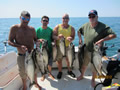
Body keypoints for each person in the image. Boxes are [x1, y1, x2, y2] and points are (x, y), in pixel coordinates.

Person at [77, 10, 116, 87]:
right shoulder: (85, 25)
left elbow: (113, 35)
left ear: (97, 17)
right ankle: (82, 75)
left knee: (94, 67)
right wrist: (80, 39)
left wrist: (102, 40)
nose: (91, 18)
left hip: (97, 51)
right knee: (84, 64)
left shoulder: (103, 26)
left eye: (93, 16)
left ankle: (93, 79)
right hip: (87, 50)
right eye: (90, 16)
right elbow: (78, 31)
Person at [8, 11, 41, 90]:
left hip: (32, 54)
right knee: (23, 73)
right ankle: (25, 86)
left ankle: (35, 82)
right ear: (20, 18)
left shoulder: (32, 29)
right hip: (21, 55)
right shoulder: (14, 28)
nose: (25, 20)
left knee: (34, 70)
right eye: (23, 18)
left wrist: (38, 41)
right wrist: (20, 46)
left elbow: (35, 39)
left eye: (27, 19)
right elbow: (9, 41)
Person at [53, 14, 76, 79]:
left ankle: (69, 71)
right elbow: (53, 36)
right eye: (64, 18)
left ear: (68, 19)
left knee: (68, 60)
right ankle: (60, 72)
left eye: (66, 18)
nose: (65, 19)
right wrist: (57, 37)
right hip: (59, 46)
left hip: (68, 47)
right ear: (61, 19)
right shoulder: (57, 27)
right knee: (59, 60)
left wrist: (71, 38)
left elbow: (73, 37)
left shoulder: (72, 28)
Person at [36, 16, 55, 81]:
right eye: (44, 20)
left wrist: (54, 43)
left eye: (46, 21)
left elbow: (53, 39)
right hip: (41, 50)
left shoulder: (50, 30)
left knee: (50, 64)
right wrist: (39, 40)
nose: (45, 22)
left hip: (49, 49)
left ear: (48, 22)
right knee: (43, 64)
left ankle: (50, 74)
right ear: (41, 21)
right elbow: (34, 39)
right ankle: (43, 75)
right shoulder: (38, 30)